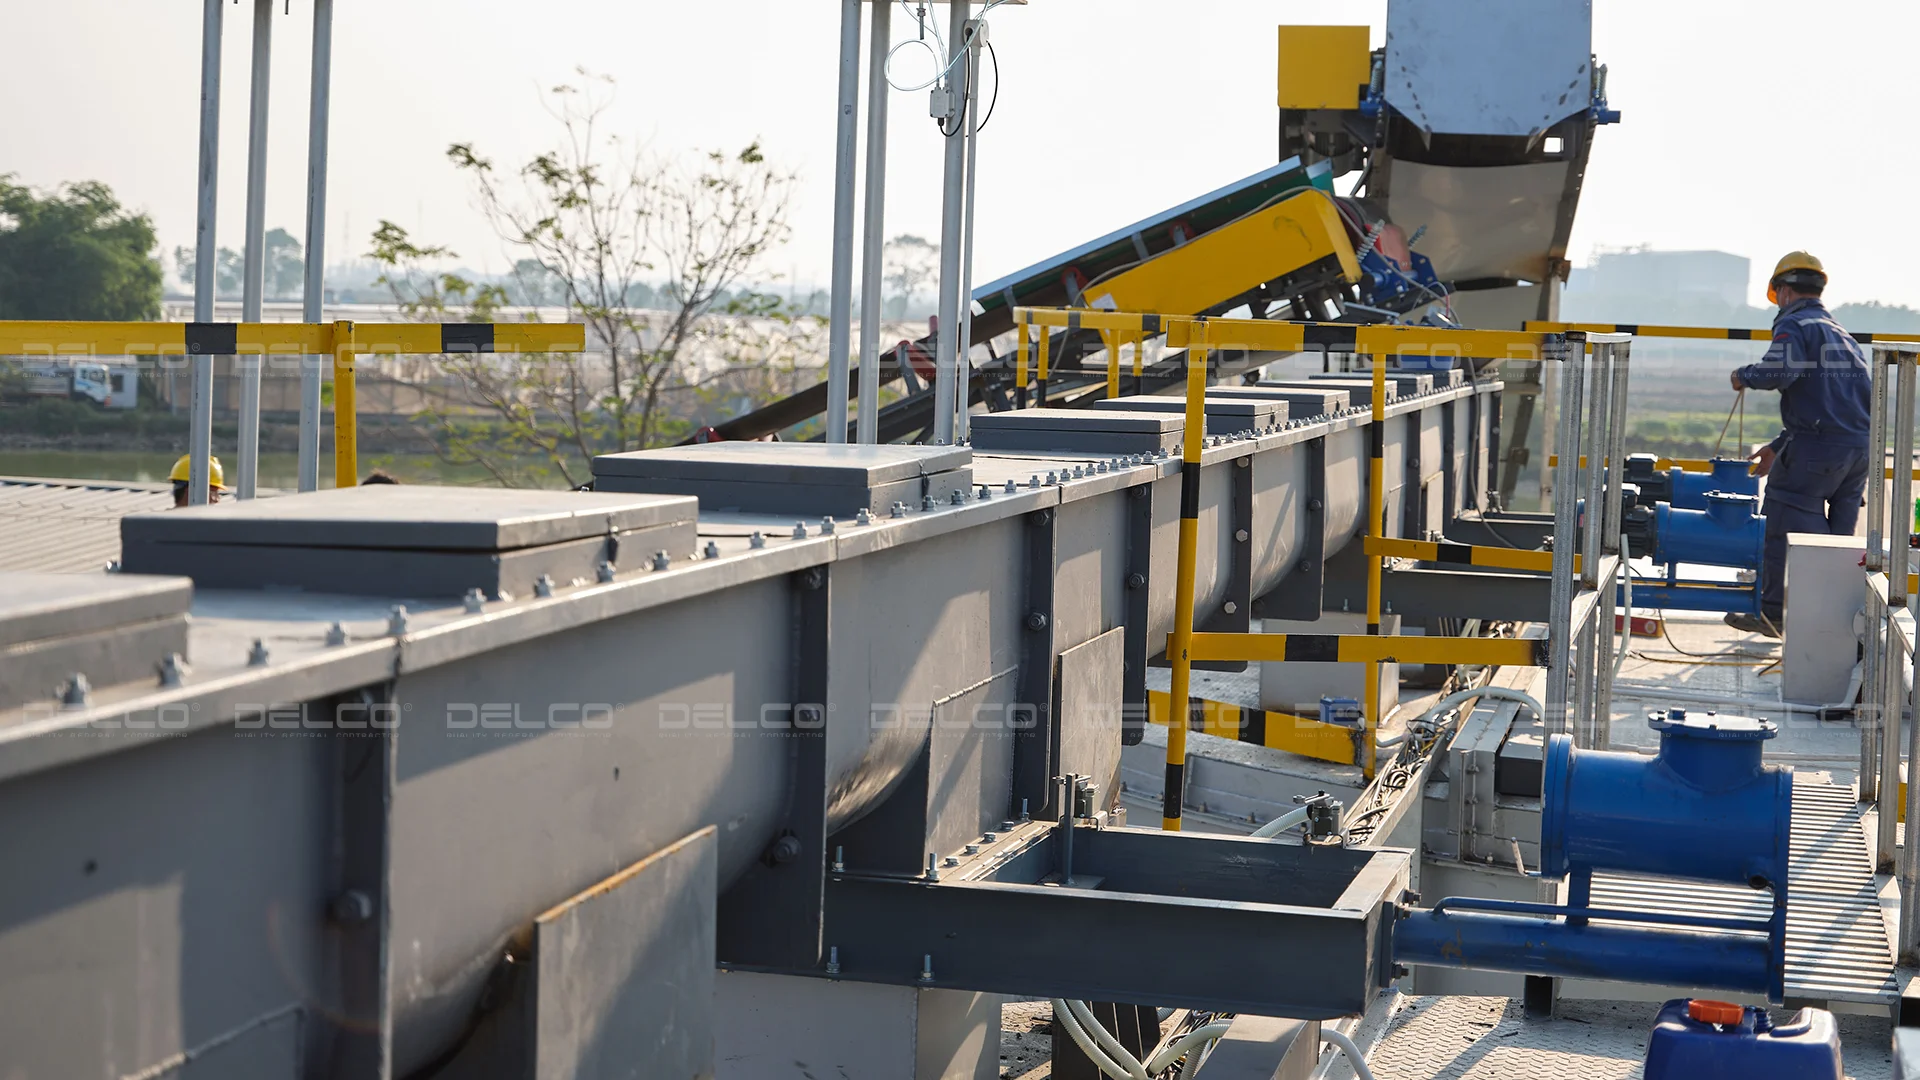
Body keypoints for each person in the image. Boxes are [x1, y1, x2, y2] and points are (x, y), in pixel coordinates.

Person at [1724, 252, 1871, 636]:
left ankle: (1773, 615)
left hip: (1818, 451)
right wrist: (1780, 445)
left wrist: (1744, 375)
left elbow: (1779, 371)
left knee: (1782, 524)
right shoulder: (1842, 335)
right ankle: (1833, 624)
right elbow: (1831, 402)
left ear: (1784, 291)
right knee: (1839, 543)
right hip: (1857, 453)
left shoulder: (1796, 325)